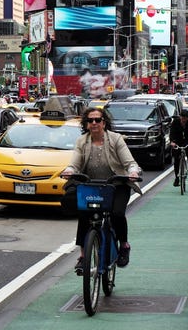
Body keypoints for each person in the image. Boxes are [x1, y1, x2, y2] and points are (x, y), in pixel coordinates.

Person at [60, 107, 140, 273]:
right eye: (90, 120)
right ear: (86, 124)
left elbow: (129, 162)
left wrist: (133, 172)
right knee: (84, 215)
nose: (94, 123)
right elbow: (74, 163)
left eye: (98, 120)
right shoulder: (82, 141)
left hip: (116, 184)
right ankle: (83, 256)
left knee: (117, 214)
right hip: (92, 186)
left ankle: (124, 245)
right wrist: (69, 170)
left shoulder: (116, 139)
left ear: (104, 122)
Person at [169, 107, 188, 185]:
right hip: (177, 140)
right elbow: (172, 132)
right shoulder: (175, 122)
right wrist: (172, 141)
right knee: (176, 160)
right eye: (182, 118)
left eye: (185, 119)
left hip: (187, 140)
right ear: (180, 117)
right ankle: (177, 178)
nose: (183, 120)